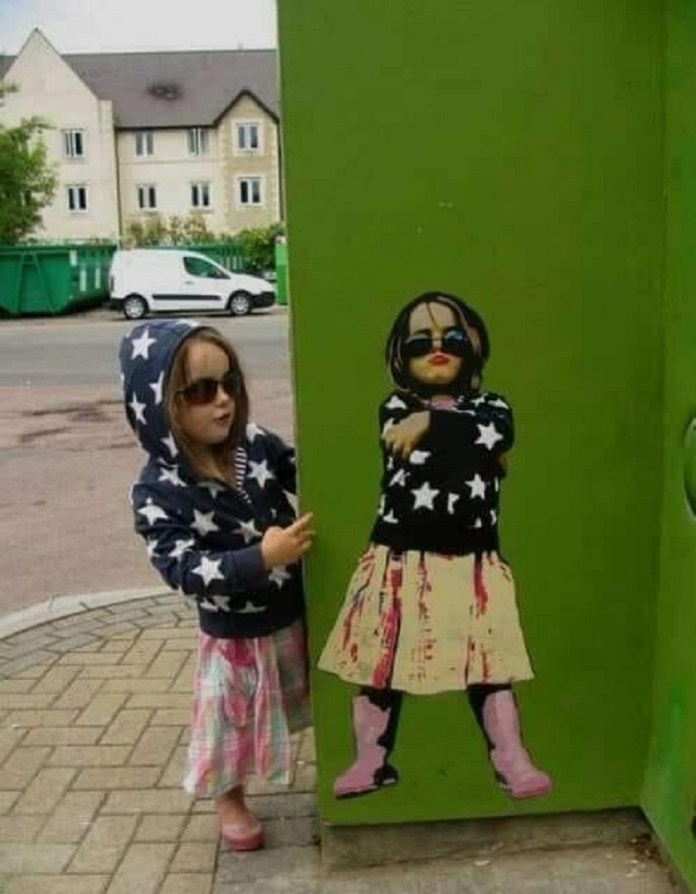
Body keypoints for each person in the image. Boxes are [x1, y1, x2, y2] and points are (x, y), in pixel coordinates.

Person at [319, 291, 552, 801]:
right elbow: (427, 442)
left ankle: (509, 757)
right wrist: (436, 428)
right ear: (401, 356)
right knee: (379, 670)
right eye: (421, 342)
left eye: (450, 339)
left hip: (471, 560)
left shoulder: (491, 408)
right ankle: (371, 759)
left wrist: (436, 424)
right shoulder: (396, 408)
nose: (437, 349)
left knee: (490, 670)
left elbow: (497, 433)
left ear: (471, 347)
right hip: (401, 558)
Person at [119, 319, 314, 851]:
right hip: (233, 637)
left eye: (230, 385)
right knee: (229, 725)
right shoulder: (158, 491)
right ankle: (229, 798)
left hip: (295, 611)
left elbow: (309, 472)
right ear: (160, 406)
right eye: (202, 391)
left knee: (316, 694)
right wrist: (260, 558)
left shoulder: (253, 443)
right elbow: (182, 569)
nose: (223, 402)